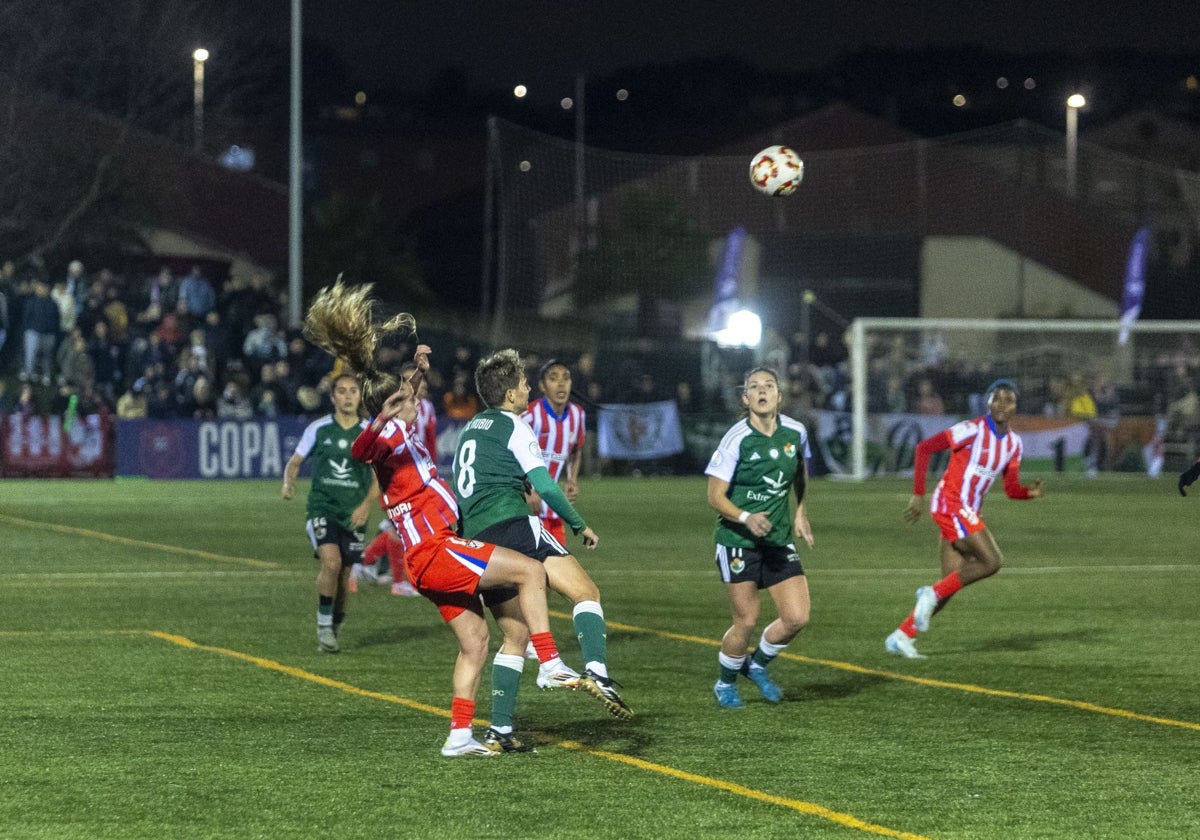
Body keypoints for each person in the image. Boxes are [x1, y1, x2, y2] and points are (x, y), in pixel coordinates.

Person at [304, 281, 582, 757]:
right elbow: (362, 449)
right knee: (530, 570)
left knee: (475, 642)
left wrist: (415, 372)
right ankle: (550, 660)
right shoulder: (387, 437)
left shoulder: (404, 429)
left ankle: (458, 737)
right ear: (393, 410)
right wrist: (382, 415)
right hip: (433, 551)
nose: (420, 400)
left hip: (432, 556)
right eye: (414, 398)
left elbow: (402, 404)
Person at [453, 349, 633, 722]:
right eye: (522, 385)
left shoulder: (470, 428)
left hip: (478, 542)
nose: (528, 392)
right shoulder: (515, 425)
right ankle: (595, 671)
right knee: (586, 592)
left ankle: (500, 729)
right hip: (514, 525)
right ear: (509, 395)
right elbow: (546, 487)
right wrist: (579, 524)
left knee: (515, 637)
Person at [885, 378, 1045, 659]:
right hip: (952, 503)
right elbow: (924, 448)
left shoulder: (1013, 444)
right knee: (991, 561)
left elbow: (1010, 488)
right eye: (996, 398)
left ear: (1016, 407)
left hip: (967, 511)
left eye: (1009, 400)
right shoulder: (971, 429)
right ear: (987, 402)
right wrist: (918, 494)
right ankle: (928, 594)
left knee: (950, 583)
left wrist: (1027, 493)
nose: (1002, 404)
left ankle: (901, 636)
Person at [705, 366, 815, 709]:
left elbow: (800, 470)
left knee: (797, 617)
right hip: (738, 540)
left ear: (780, 397)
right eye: (754, 386)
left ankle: (756, 666)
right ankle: (724, 683)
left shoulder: (796, 432)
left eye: (769, 386)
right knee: (747, 620)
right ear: (746, 398)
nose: (762, 391)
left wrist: (800, 511)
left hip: (778, 538)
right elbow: (715, 495)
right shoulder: (736, 438)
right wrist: (746, 517)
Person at [281, 372, 379, 654]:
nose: (347, 396)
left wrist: (365, 505)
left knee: (345, 575)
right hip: (322, 508)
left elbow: (378, 478)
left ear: (359, 396)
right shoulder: (319, 428)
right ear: (333, 396)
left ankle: (334, 623)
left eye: (353, 391)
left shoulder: (369, 432)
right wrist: (288, 484)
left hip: (354, 514)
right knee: (331, 563)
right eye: (342, 391)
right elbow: (295, 461)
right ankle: (323, 625)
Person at [520, 358, 586, 546]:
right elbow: (510, 455)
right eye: (553, 378)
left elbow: (576, 450)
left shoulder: (577, 414)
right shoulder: (530, 415)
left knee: (558, 565)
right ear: (542, 385)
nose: (561, 383)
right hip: (526, 508)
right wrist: (526, 491)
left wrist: (572, 479)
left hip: (554, 508)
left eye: (566, 378)